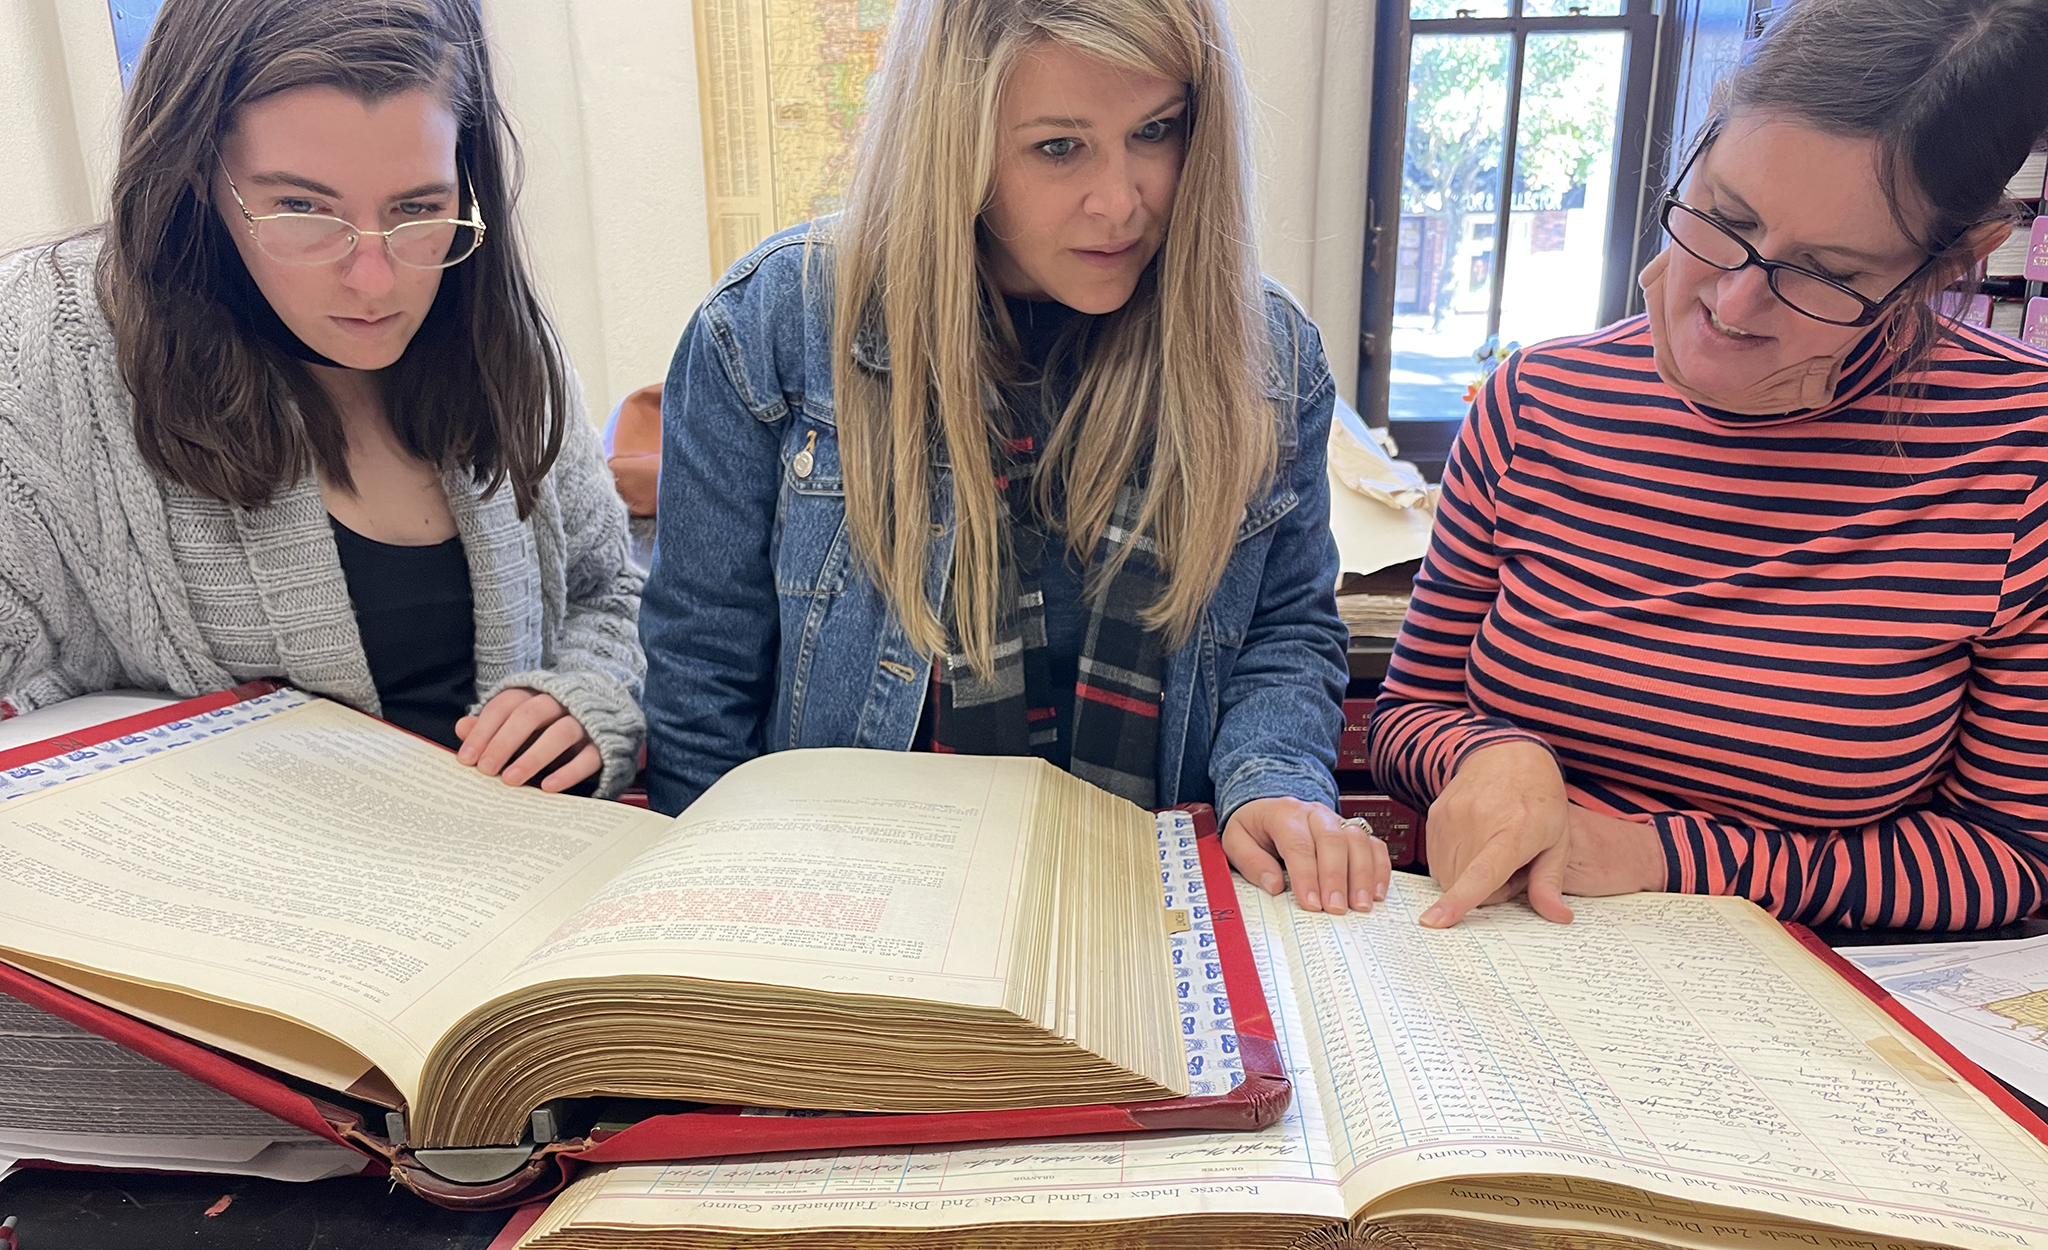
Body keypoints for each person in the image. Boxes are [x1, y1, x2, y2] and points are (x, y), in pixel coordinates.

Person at [640, 0, 1387, 913]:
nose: (1121, 202)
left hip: (1148, 911)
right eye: (1059, 148)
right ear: (953, 140)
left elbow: (1285, 631)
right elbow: (702, 670)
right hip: (850, 905)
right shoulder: (772, 327)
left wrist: (1274, 778)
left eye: (1155, 131)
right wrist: (702, 922)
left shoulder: (1269, 356)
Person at [1370, 0, 2048, 931]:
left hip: (1800, 1009)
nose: (1731, 302)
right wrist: (1484, 754)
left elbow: (2012, 858)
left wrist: (1663, 855)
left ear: (1952, 265)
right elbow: (1409, 711)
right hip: (1508, 970)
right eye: (1723, 216)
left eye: (1830, 273)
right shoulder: (1538, 401)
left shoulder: (2020, 458)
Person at [0, 0, 645, 796]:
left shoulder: (499, 341)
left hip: (521, 879)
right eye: (301, 207)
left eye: (418, 208)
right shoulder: (44, 351)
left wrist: (583, 702)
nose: (376, 282)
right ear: (197, 170)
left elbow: (607, 591)